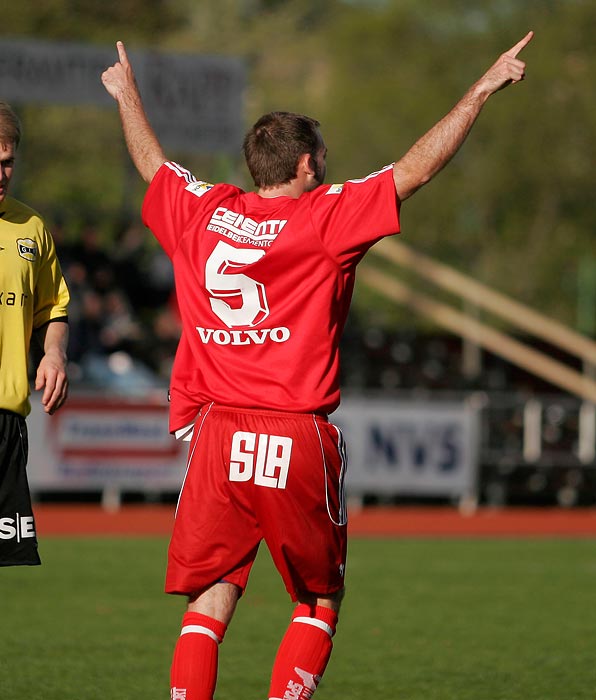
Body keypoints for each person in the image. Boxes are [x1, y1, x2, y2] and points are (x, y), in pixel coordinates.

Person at [101, 31, 533, 700]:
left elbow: (152, 163)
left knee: (209, 601)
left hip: (217, 435)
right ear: (304, 165)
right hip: (292, 432)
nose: (329, 167)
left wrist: (127, 95)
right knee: (317, 601)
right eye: (323, 158)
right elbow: (413, 169)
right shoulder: (324, 219)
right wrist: (478, 92)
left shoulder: (205, 211)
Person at [0, 102, 70, 567]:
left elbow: (54, 307)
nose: (1, 172)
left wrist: (53, 354)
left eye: (7, 162)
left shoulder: (32, 227)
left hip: (5, 420)